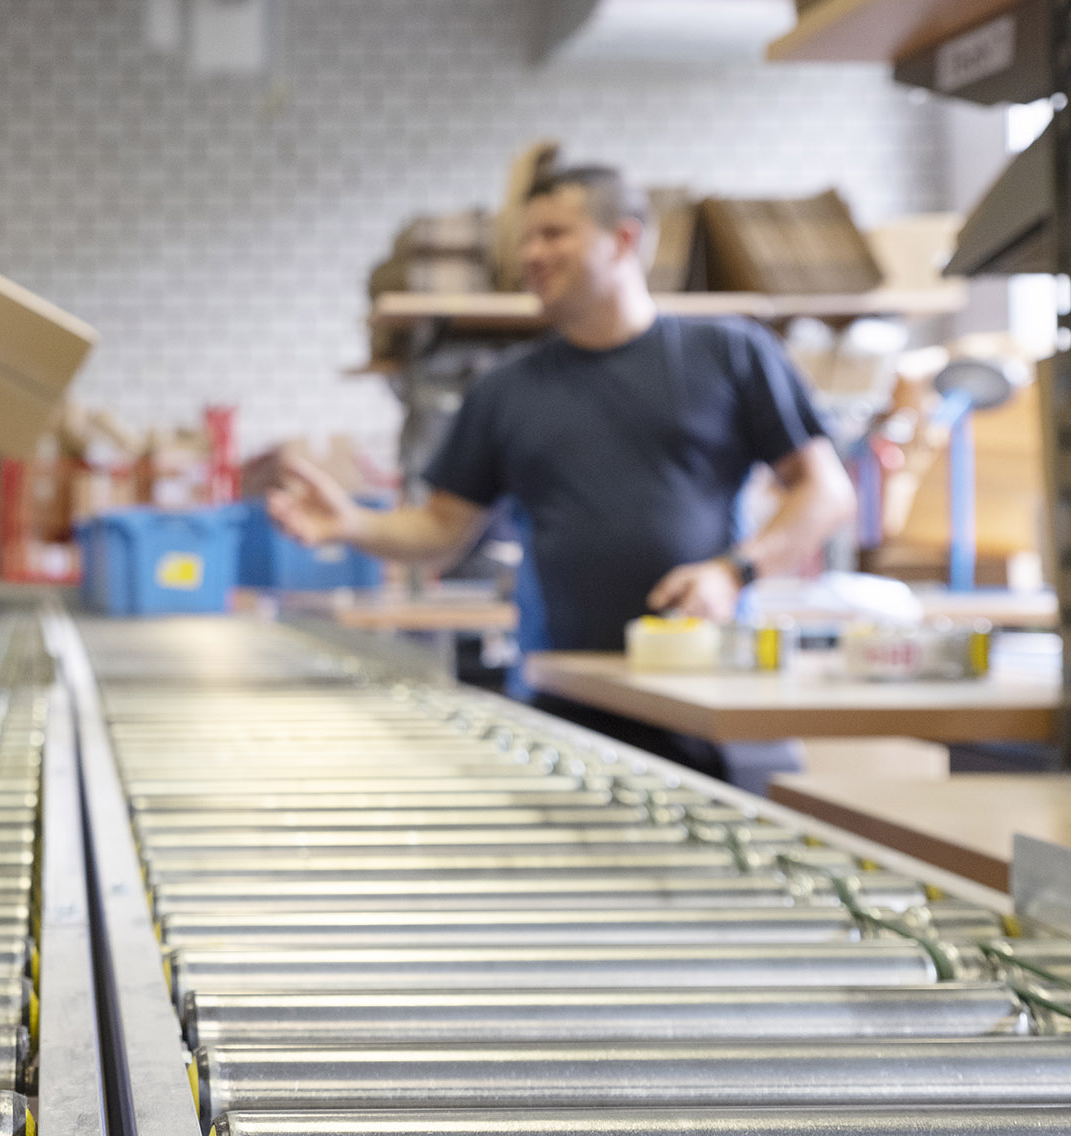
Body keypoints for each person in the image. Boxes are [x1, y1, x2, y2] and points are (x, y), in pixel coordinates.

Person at [267, 164, 856, 774]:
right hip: (566, 699)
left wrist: (732, 573)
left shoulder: (730, 354)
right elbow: (442, 529)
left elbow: (826, 492)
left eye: (553, 234)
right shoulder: (506, 390)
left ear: (625, 240)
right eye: (525, 239)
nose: (532, 255)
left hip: (705, 692)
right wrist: (351, 525)